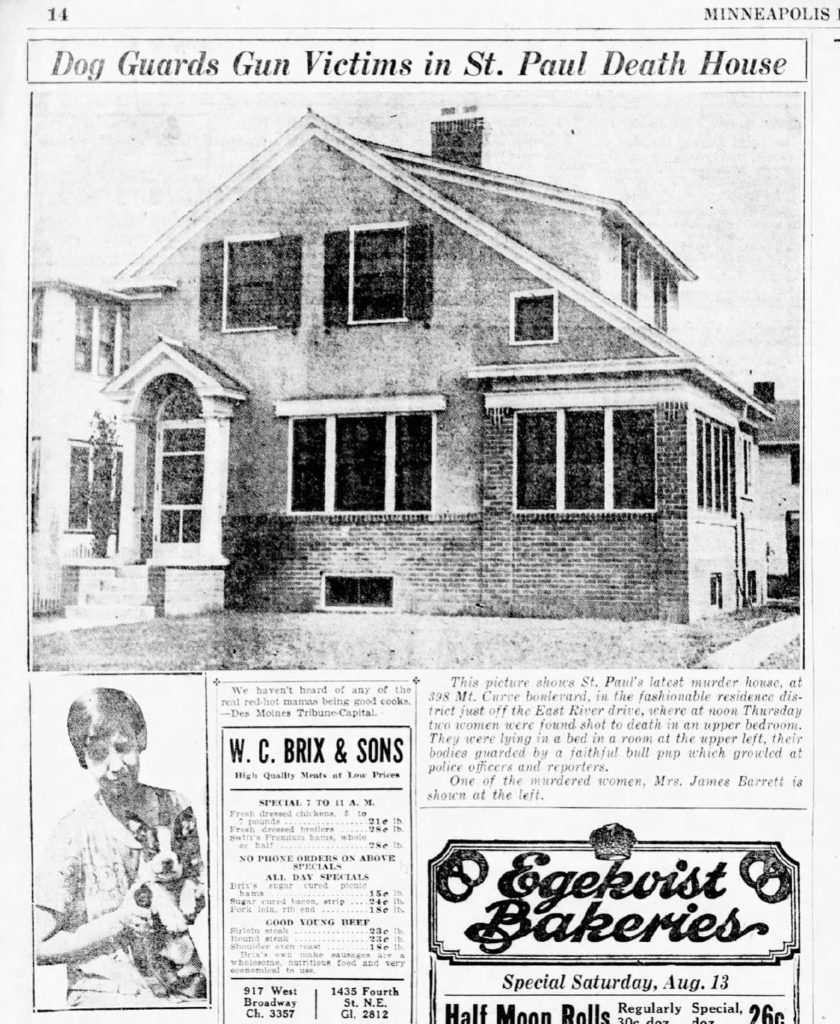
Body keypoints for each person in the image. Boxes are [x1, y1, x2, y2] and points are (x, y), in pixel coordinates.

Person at [34, 687, 206, 1008]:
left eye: (123, 747)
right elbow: (36, 947)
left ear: (141, 740)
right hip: (106, 992)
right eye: (99, 754)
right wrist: (117, 922)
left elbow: (197, 883)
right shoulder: (72, 832)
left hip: (181, 983)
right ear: (82, 758)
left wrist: (193, 897)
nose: (115, 766)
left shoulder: (175, 806)